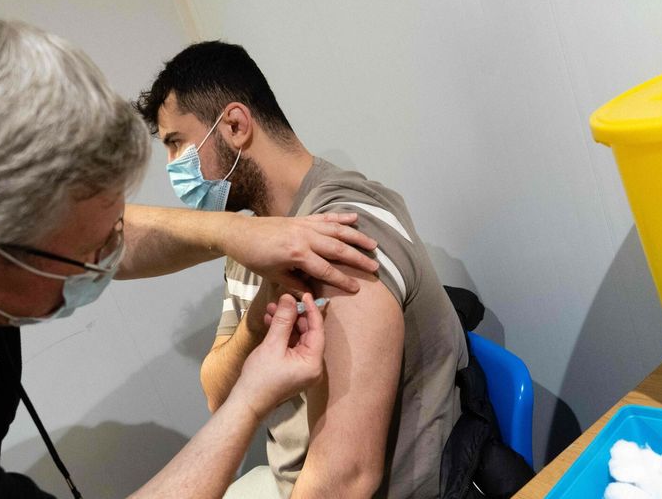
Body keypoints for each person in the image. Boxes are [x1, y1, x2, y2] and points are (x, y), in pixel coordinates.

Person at [0, 17, 382, 498]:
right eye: (91, 255)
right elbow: (229, 399)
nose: (110, 258)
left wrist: (229, 233)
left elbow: (347, 474)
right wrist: (249, 398)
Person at [136, 41, 469, 498]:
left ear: (234, 125)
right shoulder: (250, 240)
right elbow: (217, 394)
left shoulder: (341, 229)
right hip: (287, 484)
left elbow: (346, 479)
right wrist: (257, 321)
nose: (173, 167)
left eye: (177, 143)